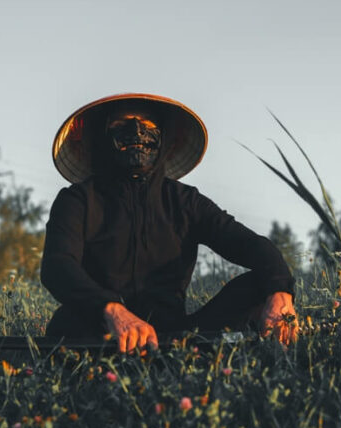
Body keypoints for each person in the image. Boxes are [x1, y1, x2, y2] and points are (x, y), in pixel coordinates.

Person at [41, 93, 299, 353]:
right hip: (97, 333)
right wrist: (112, 310)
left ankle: (271, 353)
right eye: (121, 123)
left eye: (148, 124)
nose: (136, 130)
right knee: (69, 323)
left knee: (260, 285)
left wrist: (280, 293)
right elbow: (58, 266)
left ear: (163, 137)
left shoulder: (184, 201)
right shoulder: (78, 200)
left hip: (173, 338)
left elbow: (249, 244)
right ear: (102, 136)